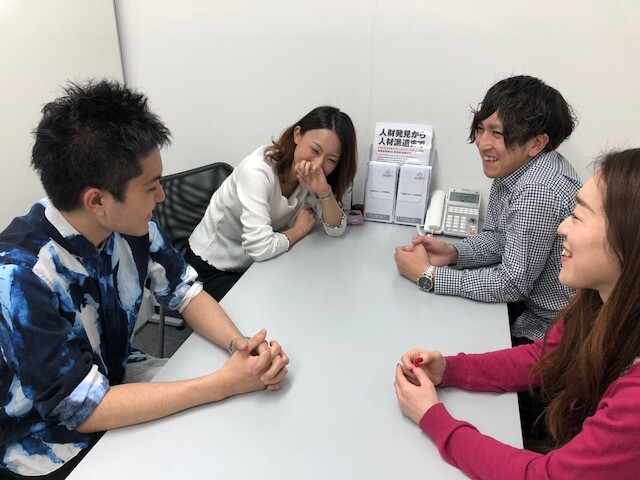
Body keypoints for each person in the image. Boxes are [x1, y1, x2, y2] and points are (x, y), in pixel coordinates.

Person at [0, 80, 289, 479]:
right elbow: (82, 409)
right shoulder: (20, 277)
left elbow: (185, 291)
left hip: (115, 378)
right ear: (97, 201)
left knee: (241, 429)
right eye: (151, 187)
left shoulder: (128, 225)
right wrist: (222, 383)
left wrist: (241, 348)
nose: (161, 197)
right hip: (47, 440)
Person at [394, 148, 640, 478]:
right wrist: (449, 370)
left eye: (578, 217)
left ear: (627, 241)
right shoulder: (597, 302)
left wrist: (433, 418)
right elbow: (546, 356)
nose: (562, 227)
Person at [394, 75, 582, 344]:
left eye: (498, 133)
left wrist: (429, 276)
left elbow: (512, 284)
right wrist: (452, 253)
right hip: (527, 308)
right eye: (481, 129)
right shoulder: (514, 169)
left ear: (536, 143)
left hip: (551, 331)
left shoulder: (538, 190)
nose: (483, 144)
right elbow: (498, 238)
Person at [186, 106, 358, 301]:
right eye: (314, 150)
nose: (317, 164)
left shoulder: (310, 177)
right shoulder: (257, 172)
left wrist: (324, 191)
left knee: (306, 295)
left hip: (255, 266)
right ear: (297, 134)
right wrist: (299, 230)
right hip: (211, 267)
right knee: (275, 307)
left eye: (331, 160)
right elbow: (259, 247)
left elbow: (336, 228)